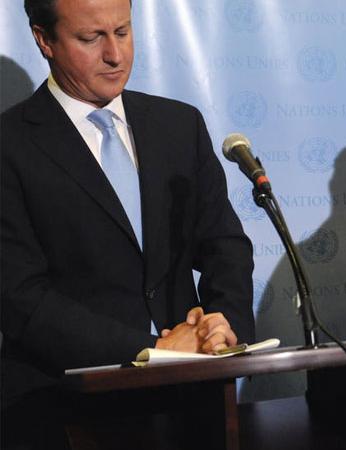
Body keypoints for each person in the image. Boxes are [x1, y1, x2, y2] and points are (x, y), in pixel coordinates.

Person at [1, 0, 255, 447]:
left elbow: (225, 246)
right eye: (91, 38)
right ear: (44, 40)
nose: (115, 55)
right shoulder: (10, 144)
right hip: (61, 410)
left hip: (190, 402)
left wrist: (223, 327)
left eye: (122, 31)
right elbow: (20, 298)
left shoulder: (179, 125)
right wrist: (150, 349)